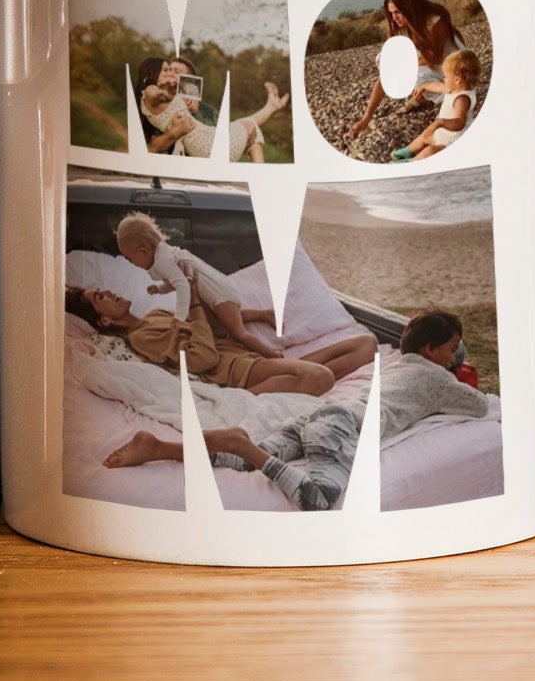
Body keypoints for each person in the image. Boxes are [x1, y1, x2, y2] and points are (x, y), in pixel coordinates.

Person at [103, 309, 490, 510]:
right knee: (317, 498)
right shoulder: (440, 379)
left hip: (320, 415)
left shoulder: (395, 364)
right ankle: (242, 443)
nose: (456, 353)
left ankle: (158, 448)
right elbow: (478, 406)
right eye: (453, 346)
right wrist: (457, 373)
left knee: (240, 465)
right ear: (430, 351)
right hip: (343, 424)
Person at [65, 269, 375, 396]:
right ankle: (253, 397)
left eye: (102, 290)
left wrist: (202, 292)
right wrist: (196, 301)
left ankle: (289, 381)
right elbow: (201, 358)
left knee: (367, 344)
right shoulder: (140, 337)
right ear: (103, 321)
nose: (108, 292)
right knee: (320, 377)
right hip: (233, 372)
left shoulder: (156, 314)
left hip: (247, 356)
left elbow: (213, 330)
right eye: (99, 297)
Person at [115, 210, 285, 360]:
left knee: (237, 333)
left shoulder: (163, 261)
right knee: (222, 320)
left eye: (130, 258)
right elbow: (174, 281)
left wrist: (179, 317)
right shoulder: (162, 255)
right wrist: (160, 289)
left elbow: (182, 285)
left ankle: (272, 354)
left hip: (218, 294)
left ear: (143, 251)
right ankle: (265, 315)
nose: (131, 262)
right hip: (216, 290)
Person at [346, 0, 466, 144]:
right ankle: (425, 96)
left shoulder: (435, 20)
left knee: (405, 71)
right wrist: (365, 118)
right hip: (429, 67)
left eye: (398, 12)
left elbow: (435, 58)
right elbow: (384, 79)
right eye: (391, 13)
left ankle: (429, 96)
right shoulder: (400, 28)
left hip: (454, 69)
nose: (394, 18)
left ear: (410, 8)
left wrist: (401, 64)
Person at [136, 56, 287, 162]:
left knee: (248, 125)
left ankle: (271, 106)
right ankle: (271, 107)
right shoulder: (164, 103)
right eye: (168, 70)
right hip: (190, 165)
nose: (171, 75)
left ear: (191, 80)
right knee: (249, 125)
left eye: (176, 72)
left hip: (214, 154)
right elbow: (155, 147)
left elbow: (225, 131)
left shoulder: (207, 110)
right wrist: (176, 131)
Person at [391, 49, 481, 161]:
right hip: (444, 131)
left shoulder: (462, 98)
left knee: (430, 151)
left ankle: (411, 162)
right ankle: (407, 151)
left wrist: (441, 122)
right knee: (425, 136)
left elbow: (460, 122)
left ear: (457, 80)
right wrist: (423, 87)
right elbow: (437, 86)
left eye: (446, 76)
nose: (444, 79)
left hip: (454, 137)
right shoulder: (452, 88)